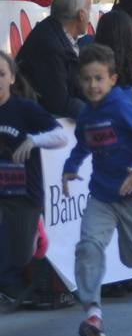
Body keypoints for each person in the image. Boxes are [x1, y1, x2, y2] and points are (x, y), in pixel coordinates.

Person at [62, 44, 132, 336]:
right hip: (103, 195)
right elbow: (83, 144)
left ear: (113, 79)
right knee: (89, 245)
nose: (93, 85)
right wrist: (70, 166)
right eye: (87, 79)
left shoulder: (121, 107)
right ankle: (92, 312)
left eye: (99, 79)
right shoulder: (86, 115)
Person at [0, 50, 68, 311]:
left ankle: (28, 287)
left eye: (1, 74)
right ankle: (10, 287)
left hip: (25, 193)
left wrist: (33, 140)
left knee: (21, 252)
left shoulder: (24, 109)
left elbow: (60, 136)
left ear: (12, 79)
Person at [16, 0, 88, 118]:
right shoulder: (51, 46)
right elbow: (59, 104)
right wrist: (98, 113)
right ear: (81, 15)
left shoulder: (57, 34)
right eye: (89, 10)